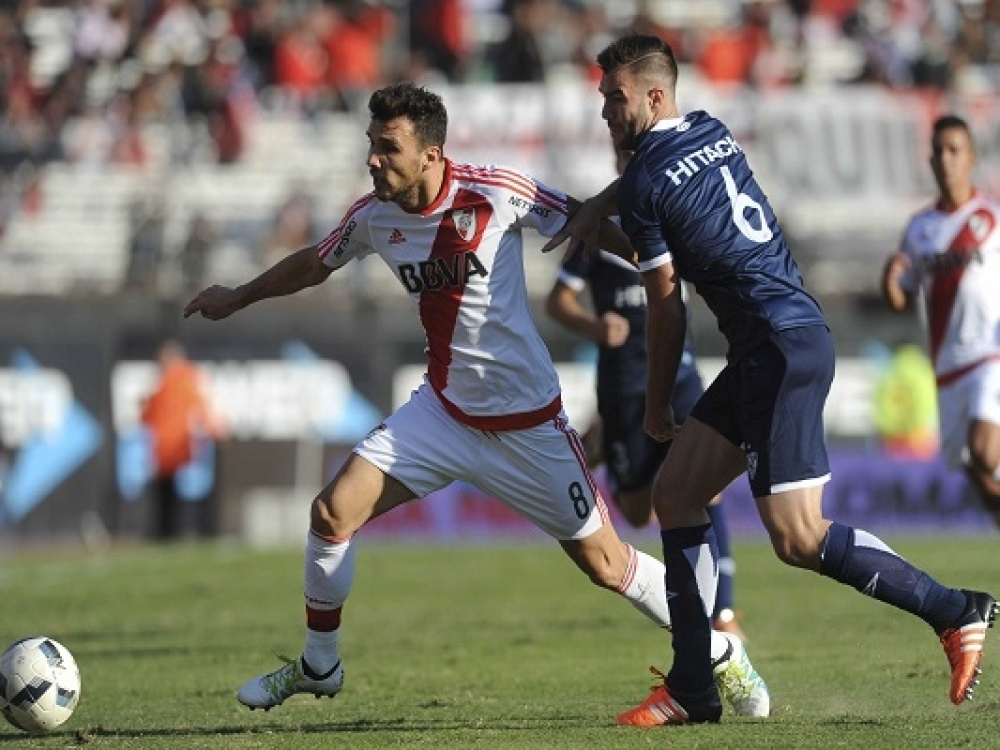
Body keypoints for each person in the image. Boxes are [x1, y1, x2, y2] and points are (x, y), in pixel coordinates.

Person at [183, 82, 769, 718]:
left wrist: (662, 257)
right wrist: (237, 297)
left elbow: (584, 220)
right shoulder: (372, 218)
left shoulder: (495, 190)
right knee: (330, 513)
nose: (373, 159)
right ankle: (320, 664)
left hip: (529, 427)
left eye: (388, 147)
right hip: (444, 415)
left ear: (431, 154)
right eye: (371, 145)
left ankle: (720, 652)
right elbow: (314, 263)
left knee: (607, 564)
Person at [542, 34, 997, 727]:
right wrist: (599, 206)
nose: (605, 109)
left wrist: (658, 404)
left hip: (775, 349)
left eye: (615, 97)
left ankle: (954, 610)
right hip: (782, 339)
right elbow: (647, 188)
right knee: (676, 493)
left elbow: (667, 308)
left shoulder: (643, 184)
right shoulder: (710, 129)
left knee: (799, 537)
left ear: (654, 95)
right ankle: (693, 686)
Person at [546, 145, 743, 637]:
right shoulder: (596, 228)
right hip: (624, 386)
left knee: (710, 486)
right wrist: (595, 327)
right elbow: (558, 301)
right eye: (624, 154)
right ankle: (606, 449)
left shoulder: (678, 212)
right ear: (616, 162)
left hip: (680, 376)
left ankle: (722, 613)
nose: (632, 161)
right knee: (637, 512)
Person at [881, 115, 1000, 529]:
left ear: (971, 157)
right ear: (930, 161)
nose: (946, 159)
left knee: (985, 452)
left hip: (990, 355)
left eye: (954, 150)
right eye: (939, 151)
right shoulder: (920, 229)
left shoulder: (992, 216)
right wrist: (889, 282)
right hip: (947, 365)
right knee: (975, 472)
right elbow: (901, 298)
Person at [140, 340, 222, 541]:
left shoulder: (186, 379)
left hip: (181, 445)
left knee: (186, 493)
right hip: (167, 448)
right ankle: (168, 533)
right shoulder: (165, 382)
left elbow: (201, 407)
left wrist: (211, 428)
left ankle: (188, 532)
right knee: (167, 494)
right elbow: (150, 415)